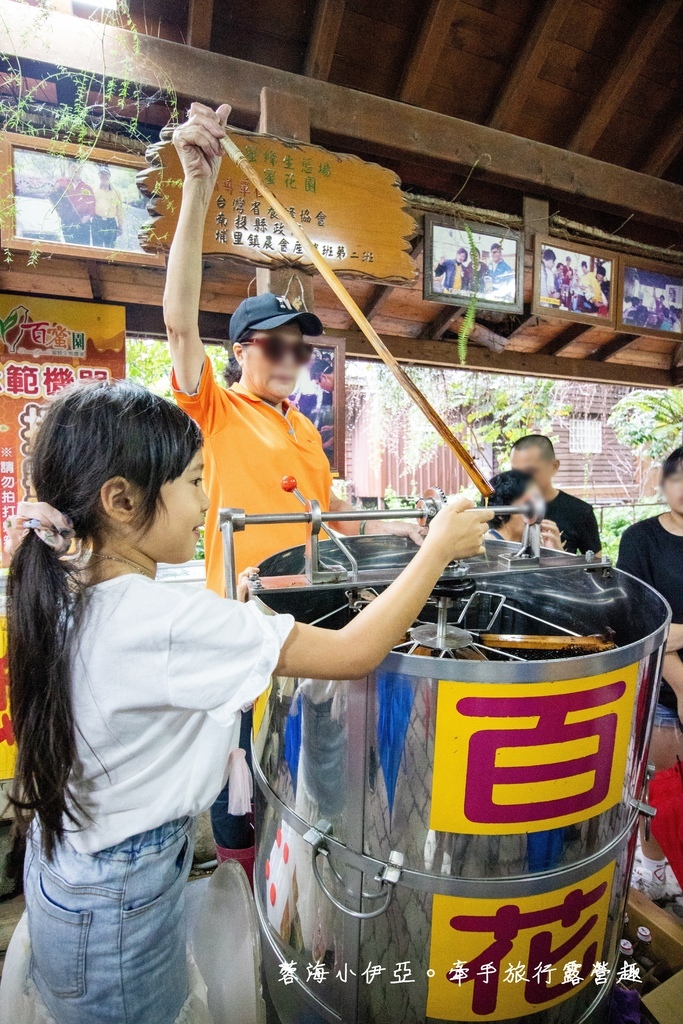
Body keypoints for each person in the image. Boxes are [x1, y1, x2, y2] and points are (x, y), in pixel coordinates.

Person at [1, 379, 492, 1024]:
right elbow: (354, 654)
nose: (206, 503)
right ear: (121, 500)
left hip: (76, 861)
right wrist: (434, 552)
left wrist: (240, 612)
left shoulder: (66, 583)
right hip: (122, 895)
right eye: (196, 483)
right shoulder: (161, 620)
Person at [163, 101, 425, 868]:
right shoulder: (210, 406)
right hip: (239, 627)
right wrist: (198, 188)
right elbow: (179, 325)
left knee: (303, 777)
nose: (290, 362)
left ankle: (300, 880)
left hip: (309, 624)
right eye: (276, 347)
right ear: (242, 349)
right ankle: (245, 892)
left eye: (301, 353)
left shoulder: (303, 428)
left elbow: (333, 519)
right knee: (237, 781)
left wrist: (413, 541)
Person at [617, 447, 683, 899]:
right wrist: (679, 679)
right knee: (660, 787)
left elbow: (669, 627)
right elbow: (638, 621)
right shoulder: (640, 539)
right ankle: (654, 872)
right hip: (661, 688)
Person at [510, 435, 602, 557]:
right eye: (515, 472)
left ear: (554, 467)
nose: (521, 479)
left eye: (530, 471)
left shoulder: (579, 512)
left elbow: (596, 568)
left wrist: (560, 555)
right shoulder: (505, 507)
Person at [483, 469, 563, 549]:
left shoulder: (539, 545)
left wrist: (557, 553)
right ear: (501, 512)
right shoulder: (486, 547)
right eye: (528, 504)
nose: (537, 512)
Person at [49, 166, 95, 245]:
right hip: (67, 223)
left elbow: (92, 206)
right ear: (69, 168)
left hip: (83, 224)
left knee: (83, 251)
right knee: (68, 249)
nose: (76, 169)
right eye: (73, 167)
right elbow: (54, 197)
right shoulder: (62, 182)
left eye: (79, 167)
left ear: (81, 169)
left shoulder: (87, 188)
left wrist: (88, 216)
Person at [91, 166, 124, 248]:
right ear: (99, 176)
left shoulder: (117, 192)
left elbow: (120, 210)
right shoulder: (94, 190)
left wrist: (120, 226)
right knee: (96, 249)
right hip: (97, 222)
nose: (104, 177)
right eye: (101, 174)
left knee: (109, 249)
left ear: (109, 176)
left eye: (106, 174)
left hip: (111, 223)